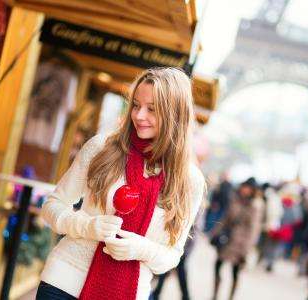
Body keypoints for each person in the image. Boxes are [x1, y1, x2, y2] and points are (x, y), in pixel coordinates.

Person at [36, 67, 206, 300]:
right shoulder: (102, 148)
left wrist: (140, 249)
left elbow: (171, 256)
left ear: (175, 115)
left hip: (130, 292)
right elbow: (52, 206)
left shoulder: (189, 180)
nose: (138, 115)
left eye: (152, 109)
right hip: (64, 282)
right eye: (136, 105)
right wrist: (88, 226)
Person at [210, 178, 264, 300]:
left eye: (248, 188)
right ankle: (214, 295)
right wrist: (215, 233)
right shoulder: (235, 199)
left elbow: (254, 229)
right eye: (244, 186)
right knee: (217, 265)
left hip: (241, 244)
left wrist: (247, 249)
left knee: (235, 272)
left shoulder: (255, 205)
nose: (244, 189)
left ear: (252, 190)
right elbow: (225, 219)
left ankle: (231, 297)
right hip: (227, 240)